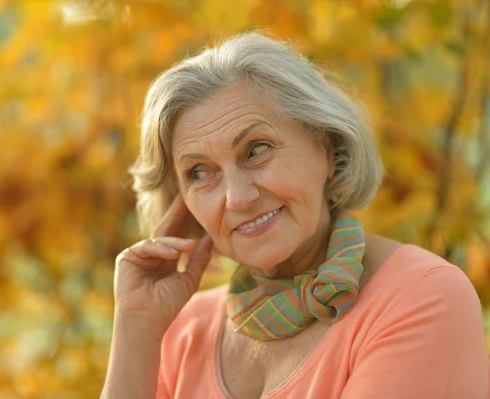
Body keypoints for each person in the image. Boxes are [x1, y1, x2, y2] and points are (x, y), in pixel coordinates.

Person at [100, 32, 490, 399]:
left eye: (257, 150)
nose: (236, 198)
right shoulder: (183, 332)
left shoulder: (420, 296)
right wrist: (137, 325)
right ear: (181, 201)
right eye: (200, 173)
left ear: (325, 144)